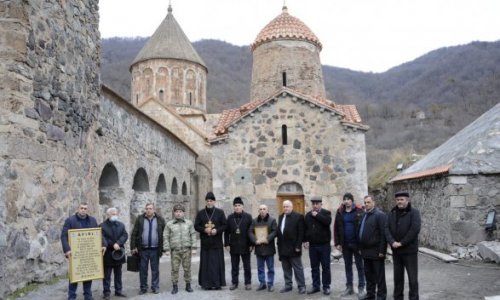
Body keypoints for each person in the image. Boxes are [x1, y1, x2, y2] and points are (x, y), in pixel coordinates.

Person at [61, 202, 105, 300]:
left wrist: (103, 245)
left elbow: (98, 234)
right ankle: (71, 296)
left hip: (88, 252)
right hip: (75, 253)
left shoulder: (92, 220)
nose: (83, 210)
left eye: (85, 208)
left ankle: (88, 295)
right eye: (81, 208)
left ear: (87, 210)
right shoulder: (70, 220)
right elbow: (64, 236)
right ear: (78, 209)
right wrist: (67, 249)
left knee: (88, 273)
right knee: (74, 275)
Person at [385, 191, 421, 300]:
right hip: (397, 252)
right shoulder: (392, 213)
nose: (399, 202)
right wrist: (392, 242)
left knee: (412, 279)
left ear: (407, 200)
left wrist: (401, 243)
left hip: (410, 251)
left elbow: (414, 230)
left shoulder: (414, 212)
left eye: (402, 199)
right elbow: (386, 229)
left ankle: (413, 298)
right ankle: (398, 298)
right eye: (398, 200)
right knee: (398, 278)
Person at [333, 192, 366, 297]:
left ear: (352, 200)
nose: (346, 201)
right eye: (345, 199)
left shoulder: (359, 211)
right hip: (345, 244)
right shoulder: (340, 212)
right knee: (348, 266)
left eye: (348, 199)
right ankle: (349, 287)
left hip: (357, 244)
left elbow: (364, 227)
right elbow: (336, 228)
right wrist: (337, 243)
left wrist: (363, 243)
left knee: (360, 266)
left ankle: (361, 287)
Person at [130, 203, 166, 295]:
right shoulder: (140, 219)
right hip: (143, 249)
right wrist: (133, 247)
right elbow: (134, 233)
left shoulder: (160, 219)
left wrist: (164, 248)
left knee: (155, 270)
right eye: (147, 208)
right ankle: (143, 287)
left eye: (150, 208)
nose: (148, 210)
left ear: (154, 210)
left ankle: (155, 287)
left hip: (155, 249)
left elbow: (164, 234)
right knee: (143, 270)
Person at [194, 192, 227, 290]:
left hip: (216, 242)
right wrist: (204, 230)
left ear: (214, 202)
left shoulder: (220, 212)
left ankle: (217, 283)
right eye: (208, 201)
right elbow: (196, 226)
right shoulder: (200, 213)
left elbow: (225, 225)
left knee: (216, 264)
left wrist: (216, 230)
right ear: (206, 201)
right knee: (206, 264)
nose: (209, 203)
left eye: (211, 201)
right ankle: (206, 284)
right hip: (205, 243)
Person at [163, 204, 197, 294]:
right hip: (175, 251)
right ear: (174, 213)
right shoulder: (169, 224)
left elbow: (193, 234)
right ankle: (175, 286)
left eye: (180, 212)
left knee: (187, 268)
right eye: (176, 212)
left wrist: (194, 247)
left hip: (187, 250)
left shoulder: (189, 223)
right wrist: (166, 249)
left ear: (183, 213)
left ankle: (188, 285)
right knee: (175, 269)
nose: (178, 213)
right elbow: (165, 236)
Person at [358, 195, 387, 300]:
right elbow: (361, 231)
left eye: (368, 202)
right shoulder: (364, 215)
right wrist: (360, 248)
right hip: (365, 251)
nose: (366, 204)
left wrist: (382, 250)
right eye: (365, 202)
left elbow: (384, 234)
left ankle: (381, 296)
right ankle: (370, 295)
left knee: (379, 276)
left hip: (376, 251)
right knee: (369, 275)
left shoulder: (380, 215)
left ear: (374, 202)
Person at [303, 196, 332, 295]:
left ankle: (326, 286)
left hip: (324, 246)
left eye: (317, 204)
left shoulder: (326, 213)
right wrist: (305, 240)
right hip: (313, 246)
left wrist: (317, 215)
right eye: (313, 204)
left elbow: (327, 222)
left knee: (325, 267)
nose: (315, 206)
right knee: (314, 267)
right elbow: (305, 229)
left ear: (320, 204)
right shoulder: (307, 215)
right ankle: (316, 286)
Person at [277, 200, 306, 294]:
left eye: (287, 206)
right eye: (284, 206)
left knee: (298, 268)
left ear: (292, 207)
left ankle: (301, 286)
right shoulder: (281, 217)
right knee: (286, 268)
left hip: (294, 248)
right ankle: (288, 285)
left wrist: (298, 246)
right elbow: (280, 232)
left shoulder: (298, 217)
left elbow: (301, 233)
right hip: (283, 248)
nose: (285, 208)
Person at [225, 197, 253, 290]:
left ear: (242, 206)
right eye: (235, 206)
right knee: (234, 266)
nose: (237, 207)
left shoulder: (248, 217)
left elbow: (251, 231)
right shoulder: (229, 217)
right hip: (233, 245)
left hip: (245, 245)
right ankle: (234, 282)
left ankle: (248, 283)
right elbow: (226, 232)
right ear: (233, 207)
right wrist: (226, 244)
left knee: (247, 266)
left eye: (239, 205)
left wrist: (251, 244)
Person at [100, 207, 128, 299]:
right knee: (107, 275)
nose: (114, 215)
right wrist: (112, 244)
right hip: (108, 253)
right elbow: (102, 238)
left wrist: (119, 243)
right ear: (108, 215)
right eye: (112, 214)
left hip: (119, 253)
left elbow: (125, 235)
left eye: (115, 213)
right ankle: (106, 292)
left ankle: (118, 291)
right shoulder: (102, 226)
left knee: (118, 273)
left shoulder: (121, 225)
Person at [248, 204, 278, 292]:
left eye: (264, 209)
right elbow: (250, 231)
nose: (262, 210)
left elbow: (275, 231)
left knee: (270, 268)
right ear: (258, 211)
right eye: (260, 209)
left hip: (269, 248)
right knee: (260, 268)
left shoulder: (272, 220)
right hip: (259, 248)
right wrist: (254, 240)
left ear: (267, 210)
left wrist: (267, 239)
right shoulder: (254, 221)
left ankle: (270, 284)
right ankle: (262, 283)